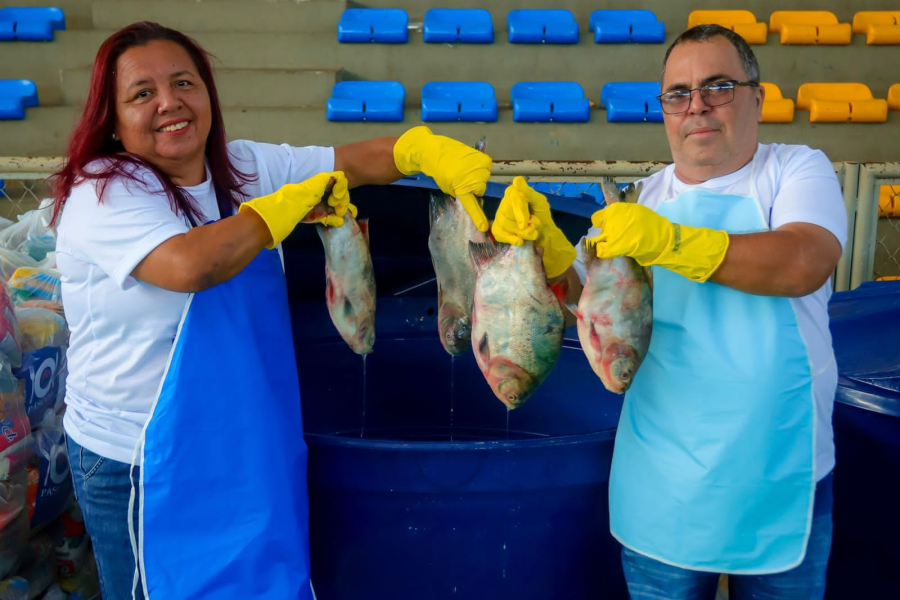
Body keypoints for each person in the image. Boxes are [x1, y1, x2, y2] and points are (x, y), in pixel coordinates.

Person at [49, 21, 492, 600]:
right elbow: (190, 265)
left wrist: (420, 151)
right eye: (142, 93)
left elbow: (355, 162)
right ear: (111, 119)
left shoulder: (242, 168)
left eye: (183, 83)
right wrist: (271, 214)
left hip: (244, 443)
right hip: (139, 460)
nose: (169, 103)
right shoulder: (103, 192)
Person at [491, 25, 845, 600]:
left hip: (781, 469)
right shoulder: (640, 201)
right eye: (678, 93)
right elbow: (582, 298)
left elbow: (803, 261)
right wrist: (544, 249)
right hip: (665, 484)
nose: (696, 105)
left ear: (757, 97)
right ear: (664, 111)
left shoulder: (795, 169)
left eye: (718, 86)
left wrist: (671, 242)